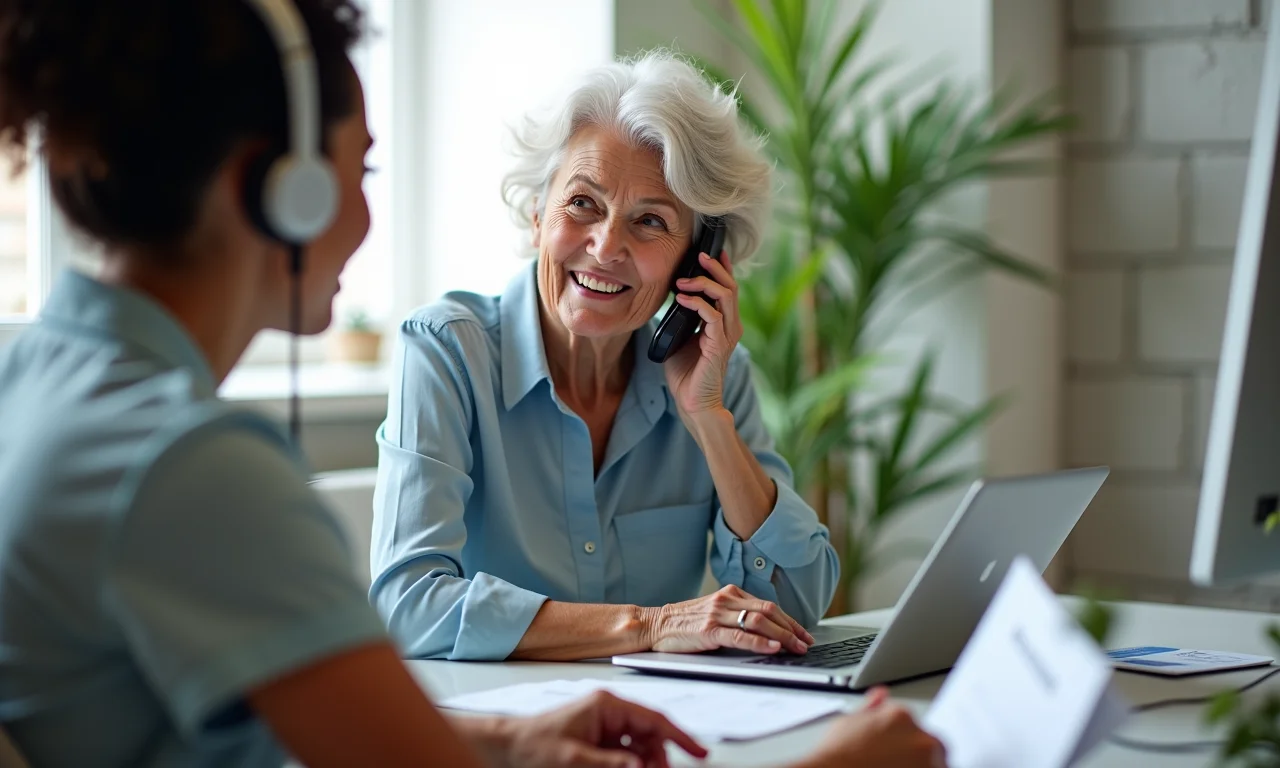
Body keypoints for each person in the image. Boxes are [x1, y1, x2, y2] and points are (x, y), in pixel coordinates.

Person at [0, 2, 707, 765]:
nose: (368, 212)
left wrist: (513, 742)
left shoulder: (34, 380)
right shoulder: (188, 465)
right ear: (281, 187)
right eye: (361, 170)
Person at [370, 50, 840, 665]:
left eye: (650, 221)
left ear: (698, 261)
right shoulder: (446, 353)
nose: (606, 245)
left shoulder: (714, 379)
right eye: (583, 203)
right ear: (539, 216)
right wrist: (649, 624)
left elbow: (796, 604)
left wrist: (708, 422)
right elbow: (408, 607)